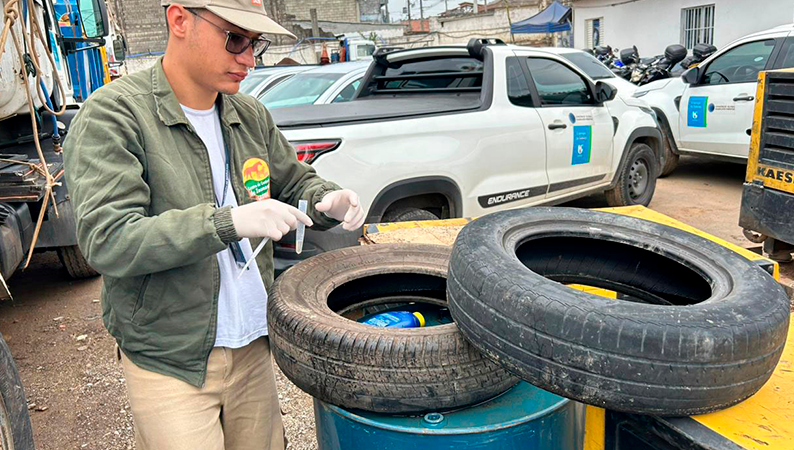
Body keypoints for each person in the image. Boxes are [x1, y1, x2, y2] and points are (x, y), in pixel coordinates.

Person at [62, 1, 365, 449]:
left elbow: (292, 181)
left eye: (255, 43)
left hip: (252, 346)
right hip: (172, 358)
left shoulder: (247, 114)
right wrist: (228, 222)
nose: (248, 58)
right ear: (180, 19)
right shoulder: (115, 115)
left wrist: (327, 199)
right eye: (235, 38)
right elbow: (110, 239)